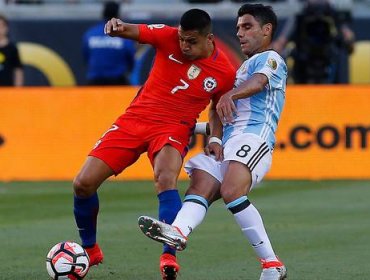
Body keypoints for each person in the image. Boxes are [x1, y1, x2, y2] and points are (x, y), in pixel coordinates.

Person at [73, 8, 236, 280]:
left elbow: (217, 108)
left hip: (173, 127)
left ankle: (168, 256)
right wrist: (116, 26)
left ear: (209, 39)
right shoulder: (168, 36)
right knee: (82, 183)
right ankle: (90, 250)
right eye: (182, 39)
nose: (184, 45)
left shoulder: (225, 72)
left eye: (191, 41)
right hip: (134, 120)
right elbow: (132, 29)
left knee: (165, 178)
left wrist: (216, 138)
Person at [138, 4, 288, 280]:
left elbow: (258, 83)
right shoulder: (240, 69)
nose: (240, 33)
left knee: (232, 190)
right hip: (230, 141)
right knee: (201, 184)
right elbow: (218, 110)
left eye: (247, 27)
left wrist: (231, 95)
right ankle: (178, 231)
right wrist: (213, 135)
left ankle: (272, 264)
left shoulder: (271, 59)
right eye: (238, 28)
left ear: (267, 30)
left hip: (254, 139)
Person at [272, 0, 355, 84]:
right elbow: (280, 43)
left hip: (328, 58)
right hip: (304, 60)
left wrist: (348, 38)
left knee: (342, 53)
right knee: (282, 54)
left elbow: (349, 44)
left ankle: (343, 91)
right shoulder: (299, 16)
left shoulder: (334, 15)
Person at [82, 1, 136, 85]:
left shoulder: (90, 33)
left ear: (103, 14)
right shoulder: (124, 35)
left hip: (94, 82)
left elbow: (86, 57)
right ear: (118, 15)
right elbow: (131, 59)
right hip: (117, 82)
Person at [0, 14, 23, 86]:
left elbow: (18, 70)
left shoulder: (12, 48)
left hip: (7, 89)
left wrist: (17, 90)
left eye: (1, 26)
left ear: (6, 28)